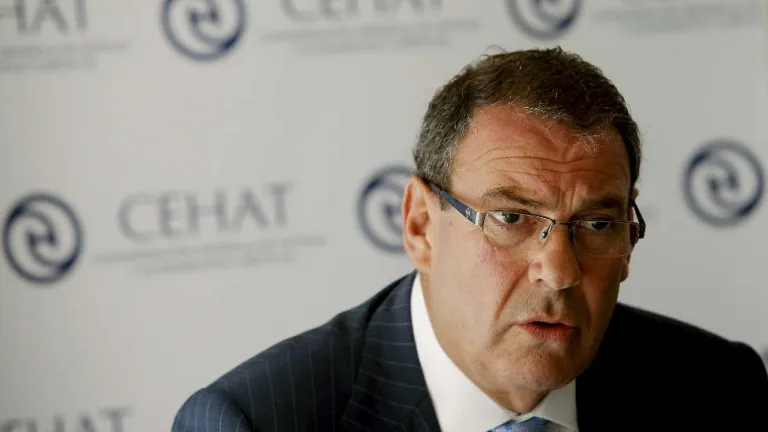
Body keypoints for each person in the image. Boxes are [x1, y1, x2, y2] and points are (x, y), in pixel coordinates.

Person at [171, 47, 768, 432]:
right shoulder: (256, 421)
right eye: (510, 217)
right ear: (420, 225)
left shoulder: (717, 389)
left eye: (596, 225)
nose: (559, 271)